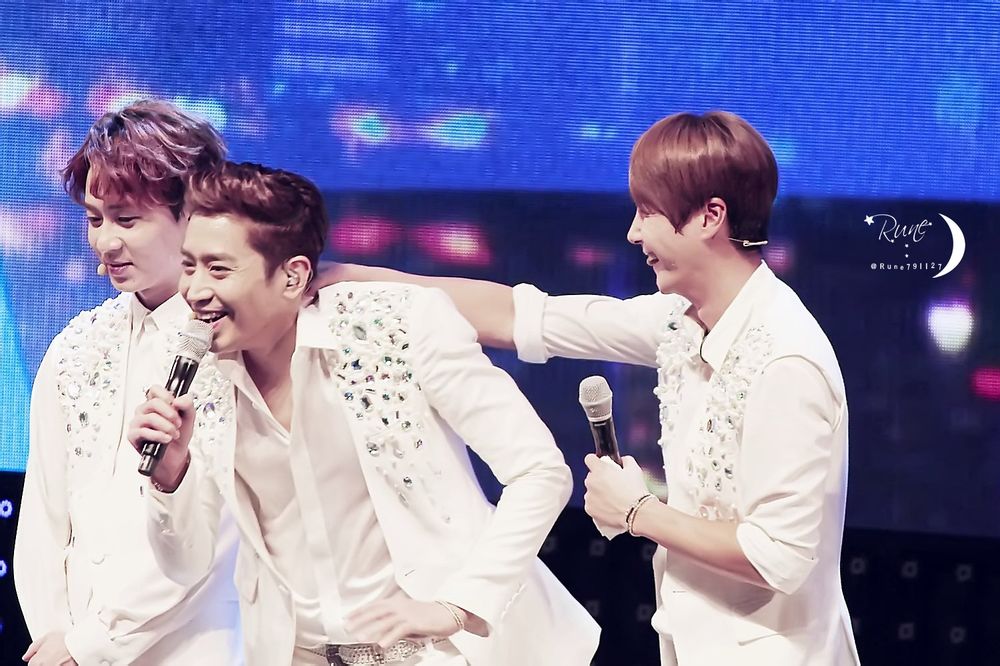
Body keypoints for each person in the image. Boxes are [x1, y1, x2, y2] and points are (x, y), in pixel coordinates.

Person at [326, 111, 861, 665]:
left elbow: (778, 555)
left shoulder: (785, 359)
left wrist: (638, 511)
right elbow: (522, 317)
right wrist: (360, 283)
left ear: (710, 216)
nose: (633, 233)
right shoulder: (680, 321)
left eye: (648, 212)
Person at [126, 161, 599, 666]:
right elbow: (186, 564)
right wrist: (170, 478)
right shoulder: (194, 374)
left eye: (218, 269)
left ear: (293, 276)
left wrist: (461, 604)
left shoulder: (396, 325)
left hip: (439, 653)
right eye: (189, 266)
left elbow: (539, 471)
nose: (195, 290)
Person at [15, 100, 243, 666]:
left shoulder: (237, 347)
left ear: (192, 215)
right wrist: (56, 637)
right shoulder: (75, 345)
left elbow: (217, 535)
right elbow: (44, 516)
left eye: (127, 219)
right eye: (95, 219)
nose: (105, 242)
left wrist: (91, 644)